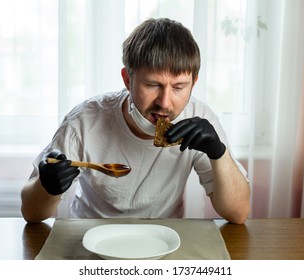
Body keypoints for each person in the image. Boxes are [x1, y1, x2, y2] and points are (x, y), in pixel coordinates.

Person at [21, 18, 250, 224]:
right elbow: (31, 213)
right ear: (127, 79)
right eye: (152, 85)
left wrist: (219, 153)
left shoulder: (199, 119)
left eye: (179, 87)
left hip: (163, 241)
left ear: (194, 82)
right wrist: (47, 187)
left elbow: (238, 213)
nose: (165, 102)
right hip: (90, 238)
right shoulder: (84, 121)